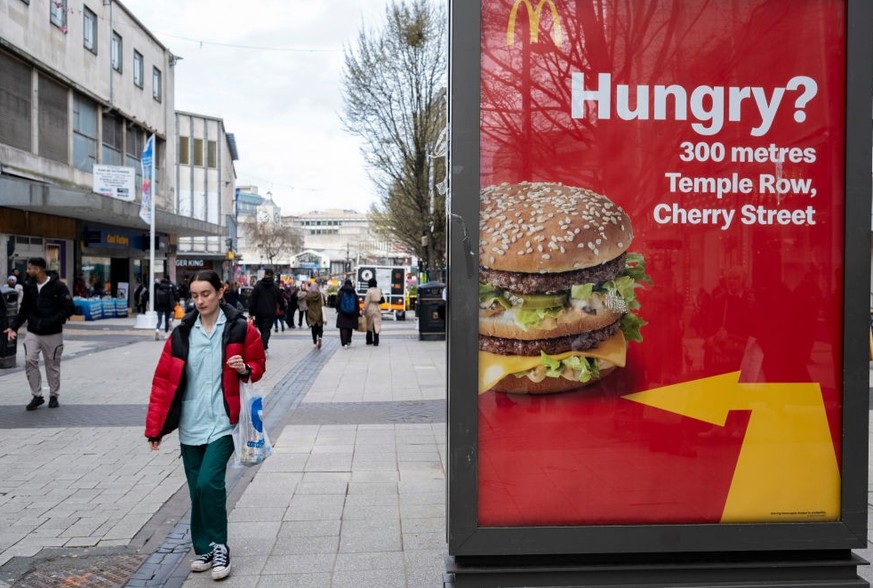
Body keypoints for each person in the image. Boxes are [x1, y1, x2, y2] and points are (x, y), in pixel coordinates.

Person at [145, 270, 265, 582]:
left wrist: (245, 368)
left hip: (225, 422)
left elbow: (258, 366)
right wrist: (155, 428)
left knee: (209, 483)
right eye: (195, 295)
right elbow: (162, 382)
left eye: (206, 294)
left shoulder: (241, 329)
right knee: (196, 488)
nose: (200, 301)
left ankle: (220, 546)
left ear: (221, 292)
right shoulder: (182, 334)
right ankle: (204, 547)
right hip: (190, 421)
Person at [3, 257, 75, 410]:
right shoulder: (29, 286)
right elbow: (24, 310)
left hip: (53, 333)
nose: (27, 271)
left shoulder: (58, 286)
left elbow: (69, 308)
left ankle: (54, 395)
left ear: (39, 269)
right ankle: (37, 395)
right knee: (30, 360)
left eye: (30, 269)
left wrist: (53, 320)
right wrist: (13, 327)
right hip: (33, 331)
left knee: (52, 365)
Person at [247, 268, 283, 354]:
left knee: (262, 329)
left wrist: (251, 312)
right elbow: (280, 298)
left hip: (259, 312)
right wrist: (282, 308)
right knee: (266, 330)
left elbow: (253, 299)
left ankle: (263, 347)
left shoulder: (258, 285)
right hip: (270, 312)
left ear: (265, 274)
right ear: (272, 275)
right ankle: (264, 346)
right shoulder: (274, 286)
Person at [335, 279, 361, 349]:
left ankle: (344, 343)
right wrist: (358, 313)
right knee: (350, 327)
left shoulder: (341, 292)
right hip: (352, 314)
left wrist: (338, 309)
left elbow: (337, 302)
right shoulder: (354, 292)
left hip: (342, 313)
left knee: (343, 328)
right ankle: (349, 341)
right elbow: (357, 304)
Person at [305, 281, 326, 349]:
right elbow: (324, 303)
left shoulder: (308, 295)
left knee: (313, 328)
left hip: (312, 314)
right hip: (320, 313)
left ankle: (314, 342)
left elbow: (307, 304)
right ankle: (319, 337)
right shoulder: (321, 295)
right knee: (320, 327)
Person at [363, 277, 383, 346]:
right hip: (377, 307)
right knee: (376, 325)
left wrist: (363, 311)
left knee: (369, 325)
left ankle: (369, 340)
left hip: (370, 308)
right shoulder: (379, 290)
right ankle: (376, 341)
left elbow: (366, 302)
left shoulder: (369, 291)